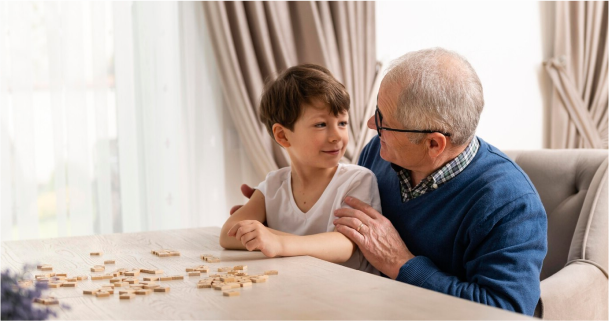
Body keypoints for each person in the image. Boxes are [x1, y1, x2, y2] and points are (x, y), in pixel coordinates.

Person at [231, 48, 547, 316]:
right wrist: (278, 216)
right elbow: (347, 233)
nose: (369, 125)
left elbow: (505, 312)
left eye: (383, 121)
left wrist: (402, 264)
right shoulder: (379, 153)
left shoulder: (510, 203)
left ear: (434, 144)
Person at [220, 64, 380, 274]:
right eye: (321, 125)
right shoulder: (274, 185)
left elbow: (345, 245)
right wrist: (268, 238)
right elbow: (227, 234)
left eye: (342, 123)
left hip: (350, 297)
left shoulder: (358, 180)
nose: (336, 136)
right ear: (283, 136)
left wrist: (277, 242)